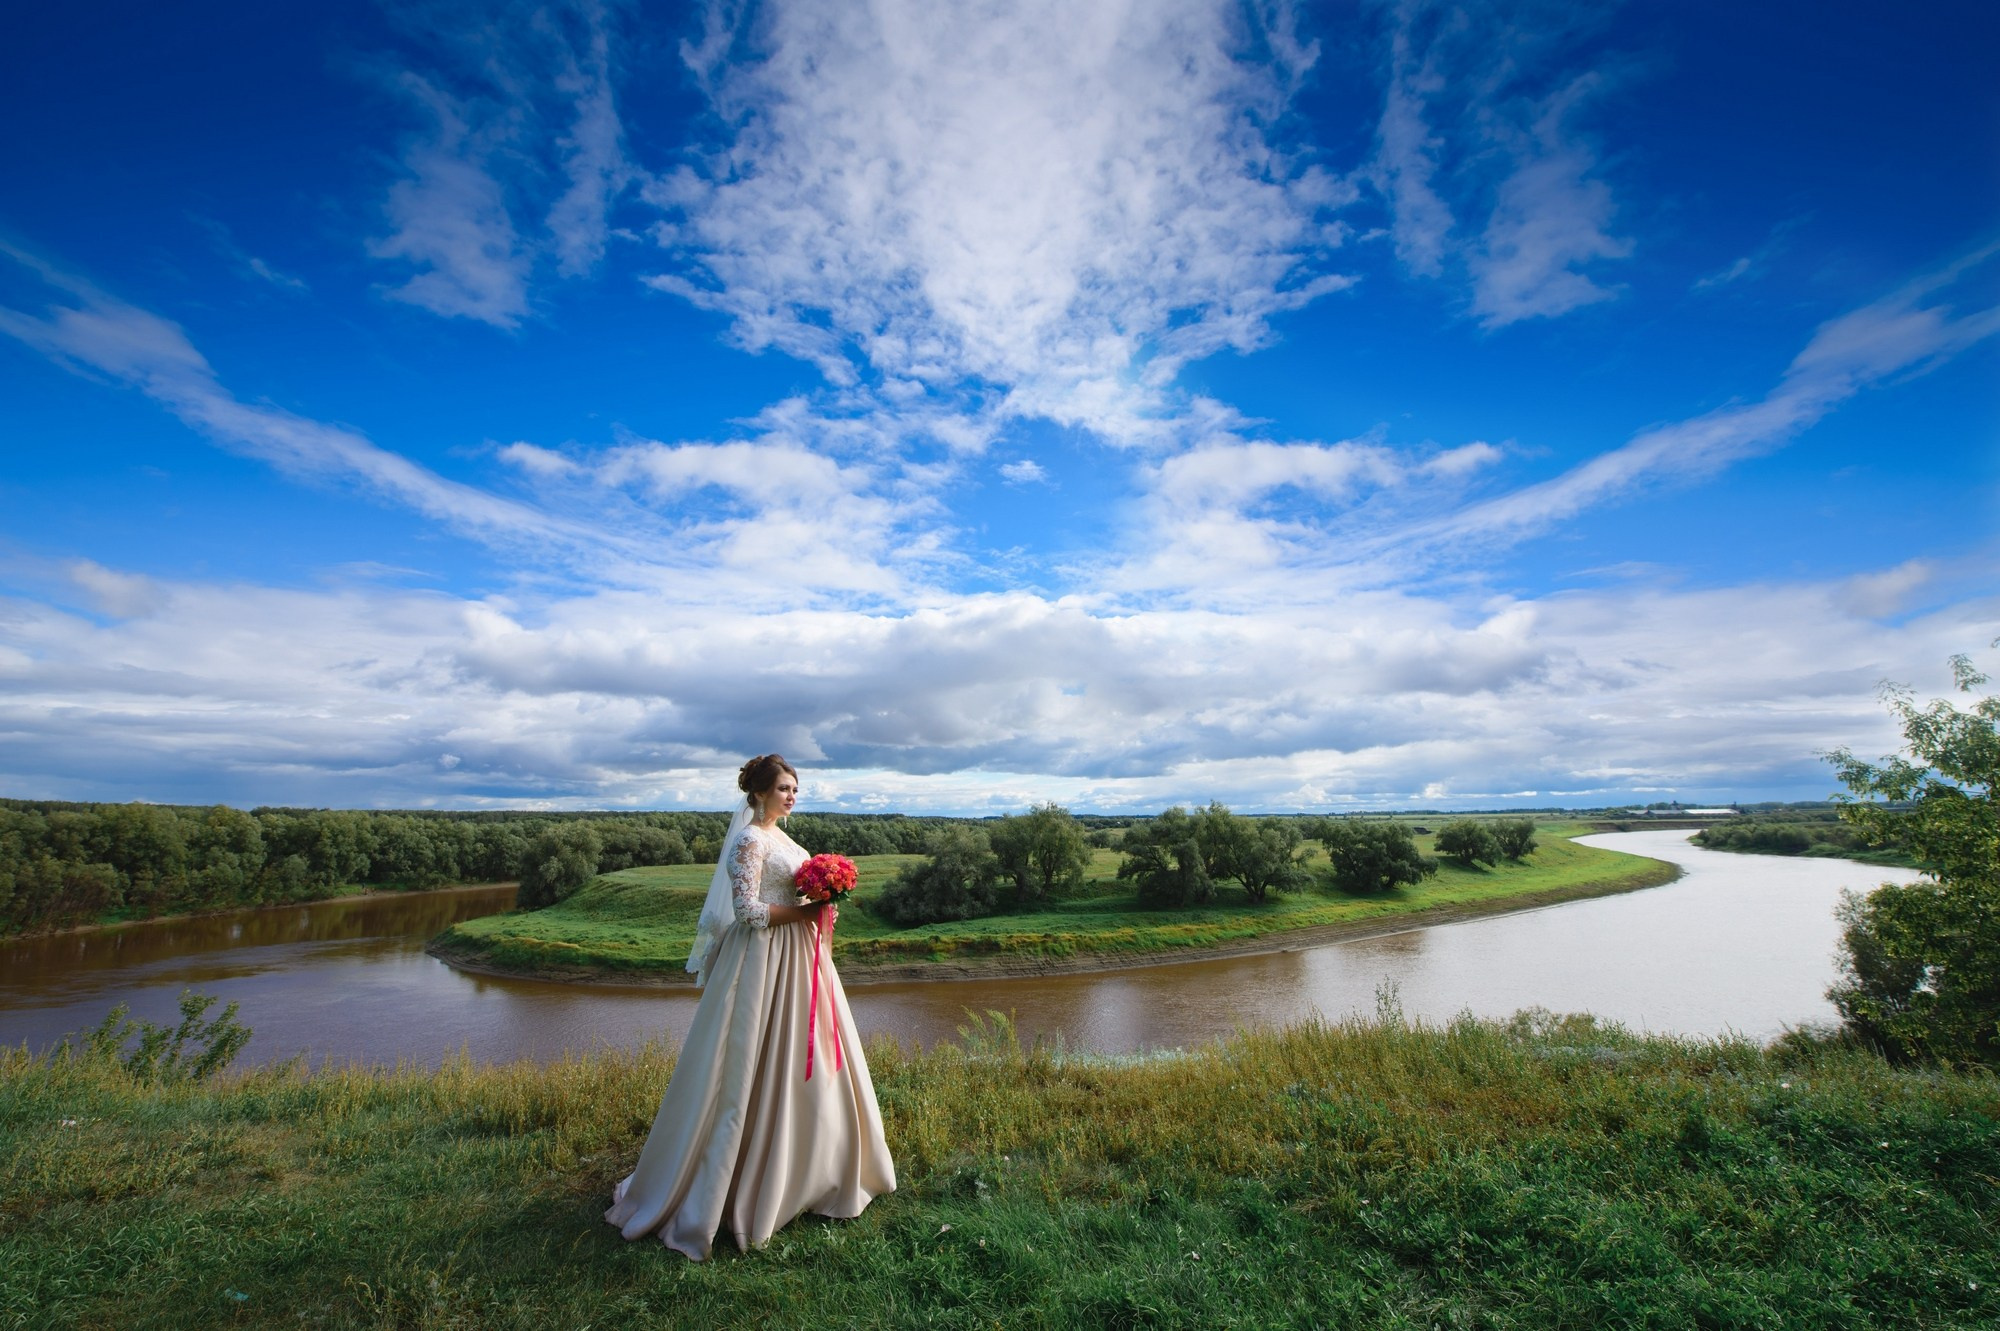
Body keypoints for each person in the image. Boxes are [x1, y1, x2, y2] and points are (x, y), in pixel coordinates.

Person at [605, 753, 896, 1259]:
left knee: (813, 1057)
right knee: (745, 1064)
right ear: (759, 793)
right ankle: (736, 1181)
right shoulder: (750, 839)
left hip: (801, 960)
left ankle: (816, 1169)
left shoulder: (784, 838)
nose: (792, 796)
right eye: (784, 788)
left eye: (795, 789)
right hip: (762, 961)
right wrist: (807, 911)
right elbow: (748, 910)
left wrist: (825, 904)